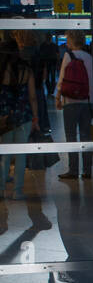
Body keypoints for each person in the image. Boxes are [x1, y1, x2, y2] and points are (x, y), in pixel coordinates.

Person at [0, 41, 39, 199]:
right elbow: (32, 97)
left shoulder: (1, 71)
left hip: (3, 118)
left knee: (4, 155)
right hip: (23, 117)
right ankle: (17, 191)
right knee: (21, 156)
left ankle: (1, 190)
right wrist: (35, 118)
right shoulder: (26, 70)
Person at [55, 30, 93, 180]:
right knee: (86, 136)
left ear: (72, 40)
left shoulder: (68, 56)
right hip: (87, 102)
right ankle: (87, 170)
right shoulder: (90, 57)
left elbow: (62, 79)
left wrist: (58, 97)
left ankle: (73, 169)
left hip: (70, 102)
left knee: (71, 136)